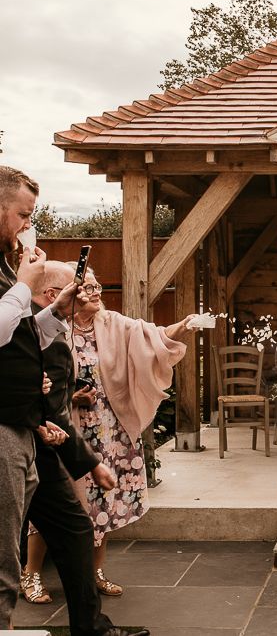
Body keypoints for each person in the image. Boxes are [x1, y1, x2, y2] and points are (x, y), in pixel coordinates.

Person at [0, 165, 149, 636]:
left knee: (75, 528)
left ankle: (91, 628)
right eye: (22, 215)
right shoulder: (14, 275)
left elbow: (18, 338)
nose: (27, 226)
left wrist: (51, 313)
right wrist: (26, 283)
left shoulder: (6, 269)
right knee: (4, 562)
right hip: (6, 430)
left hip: (30, 431)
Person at [70, 265, 196, 596]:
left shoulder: (111, 323)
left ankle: (96, 571)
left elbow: (151, 335)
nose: (97, 292)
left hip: (110, 432)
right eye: (88, 287)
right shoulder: (54, 329)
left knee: (103, 503)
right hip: (69, 429)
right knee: (60, 498)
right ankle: (32, 572)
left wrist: (178, 329)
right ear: (69, 293)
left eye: (98, 286)